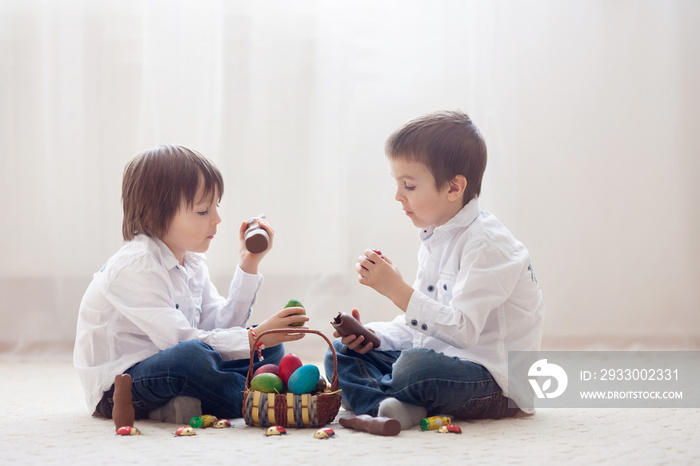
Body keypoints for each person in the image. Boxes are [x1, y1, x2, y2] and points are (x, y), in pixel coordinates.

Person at [325, 110, 544, 429]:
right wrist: (375, 337)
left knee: (414, 369)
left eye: (409, 186)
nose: (398, 196)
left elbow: (463, 331)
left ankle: (378, 398)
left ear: (454, 188)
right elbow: (422, 329)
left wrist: (396, 289)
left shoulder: (486, 245)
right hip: (440, 358)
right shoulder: (436, 237)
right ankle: (388, 408)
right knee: (340, 352)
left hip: (495, 382)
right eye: (397, 184)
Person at [74, 145, 308, 424]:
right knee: (193, 357)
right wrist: (253, 336)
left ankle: (185, 402)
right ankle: (258, 402)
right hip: (120, 386)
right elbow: (182, 341)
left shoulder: (192, 261)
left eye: (216, 206)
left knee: (269, 351)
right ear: (156, 215)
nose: (217, 219)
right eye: (203, 211)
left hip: (173, 364)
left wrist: (248, 265)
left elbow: (220, 325)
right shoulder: (136, 266)